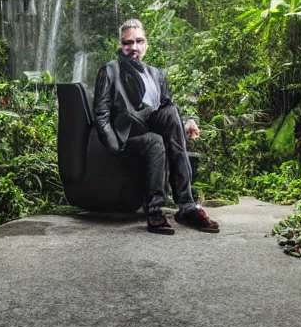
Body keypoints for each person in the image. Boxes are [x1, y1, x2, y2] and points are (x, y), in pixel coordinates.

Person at [93, 19, 219, 235]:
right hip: (128, 135)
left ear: (146, 45)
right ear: (120, 45)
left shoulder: (156, 74)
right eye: (127, 43)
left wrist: (187, 121)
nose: (133, 47)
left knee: (170, 114)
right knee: (155, 140)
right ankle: (155, 211)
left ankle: (187, 207)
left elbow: (168, 107)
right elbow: (101, 114)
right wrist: (114, 146)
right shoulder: (110, 71)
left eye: (139, 41)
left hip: (152, 124)